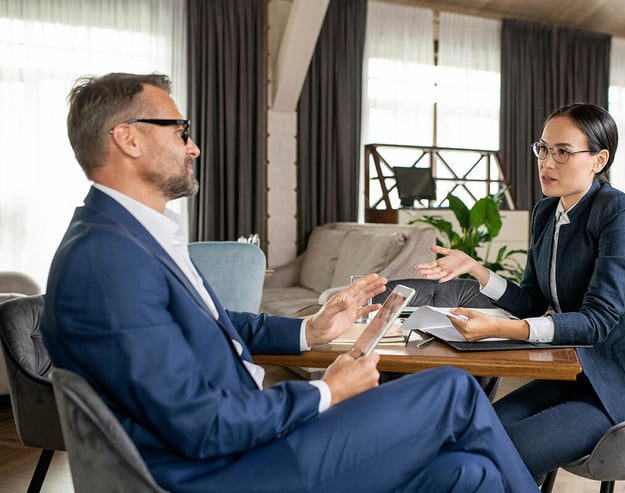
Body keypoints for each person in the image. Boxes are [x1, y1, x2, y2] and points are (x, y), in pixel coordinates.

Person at [40, 72, 538, 493]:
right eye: (178, 130)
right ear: (128, 138)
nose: (192, 146)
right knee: (451, 389)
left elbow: (208, 323)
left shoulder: (127, 236)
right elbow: (202, 426)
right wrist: (328, 391)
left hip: (241, 448)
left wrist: (311, 331)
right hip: (219, 471)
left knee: (469, 474)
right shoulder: (106, 259)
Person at [417, 103, 625, 480]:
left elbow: (596, 323)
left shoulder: (620, 213)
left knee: (503, 454)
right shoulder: (545, 213)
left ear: (599, 160)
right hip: (576, 373)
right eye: (544, 149)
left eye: (563, 152)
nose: (547, 163)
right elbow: (533, 301)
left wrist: (500, 329)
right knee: (471, 435)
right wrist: (477, 270)